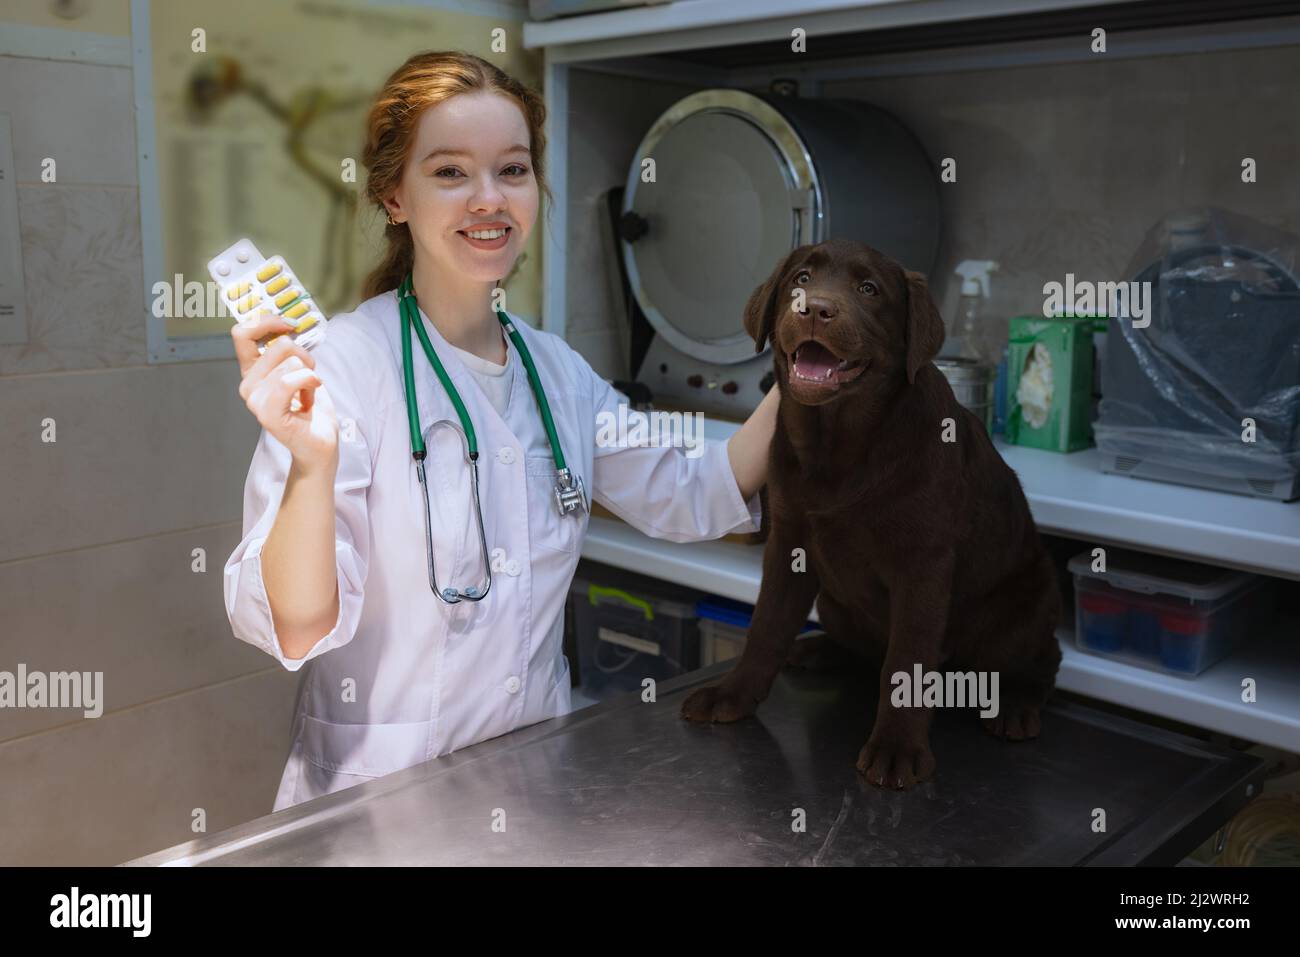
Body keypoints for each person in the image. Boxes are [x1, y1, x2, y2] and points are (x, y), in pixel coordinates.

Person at [226, 50, 780, 812]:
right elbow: (298, 620)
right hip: (378, 807)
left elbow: (692, 486)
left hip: (528, 785)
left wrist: (808, 370)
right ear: (394, 195)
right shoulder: (344, 367)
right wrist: (312, 465)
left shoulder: (553, 370)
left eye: (512, 170)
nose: (489, 199)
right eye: (450, 172)